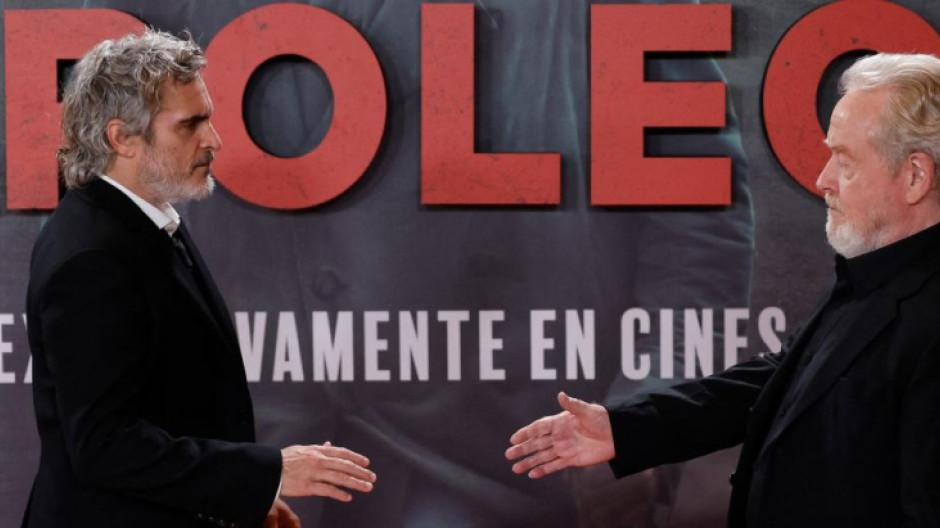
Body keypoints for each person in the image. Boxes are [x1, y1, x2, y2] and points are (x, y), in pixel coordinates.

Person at [507, 52, 940, 527]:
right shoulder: (875, 277)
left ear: (916, 176)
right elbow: (778, 382)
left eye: (844, 160)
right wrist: (624, 430)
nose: (823, 180)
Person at [22, 30, 376, 528]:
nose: (214, 140)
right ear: (121, 138)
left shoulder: (143, 221)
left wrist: (238, 498)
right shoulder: (93, 255)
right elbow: (105, 446)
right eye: (190, 125)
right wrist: (269, 472)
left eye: (207, 118)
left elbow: (175, 404)